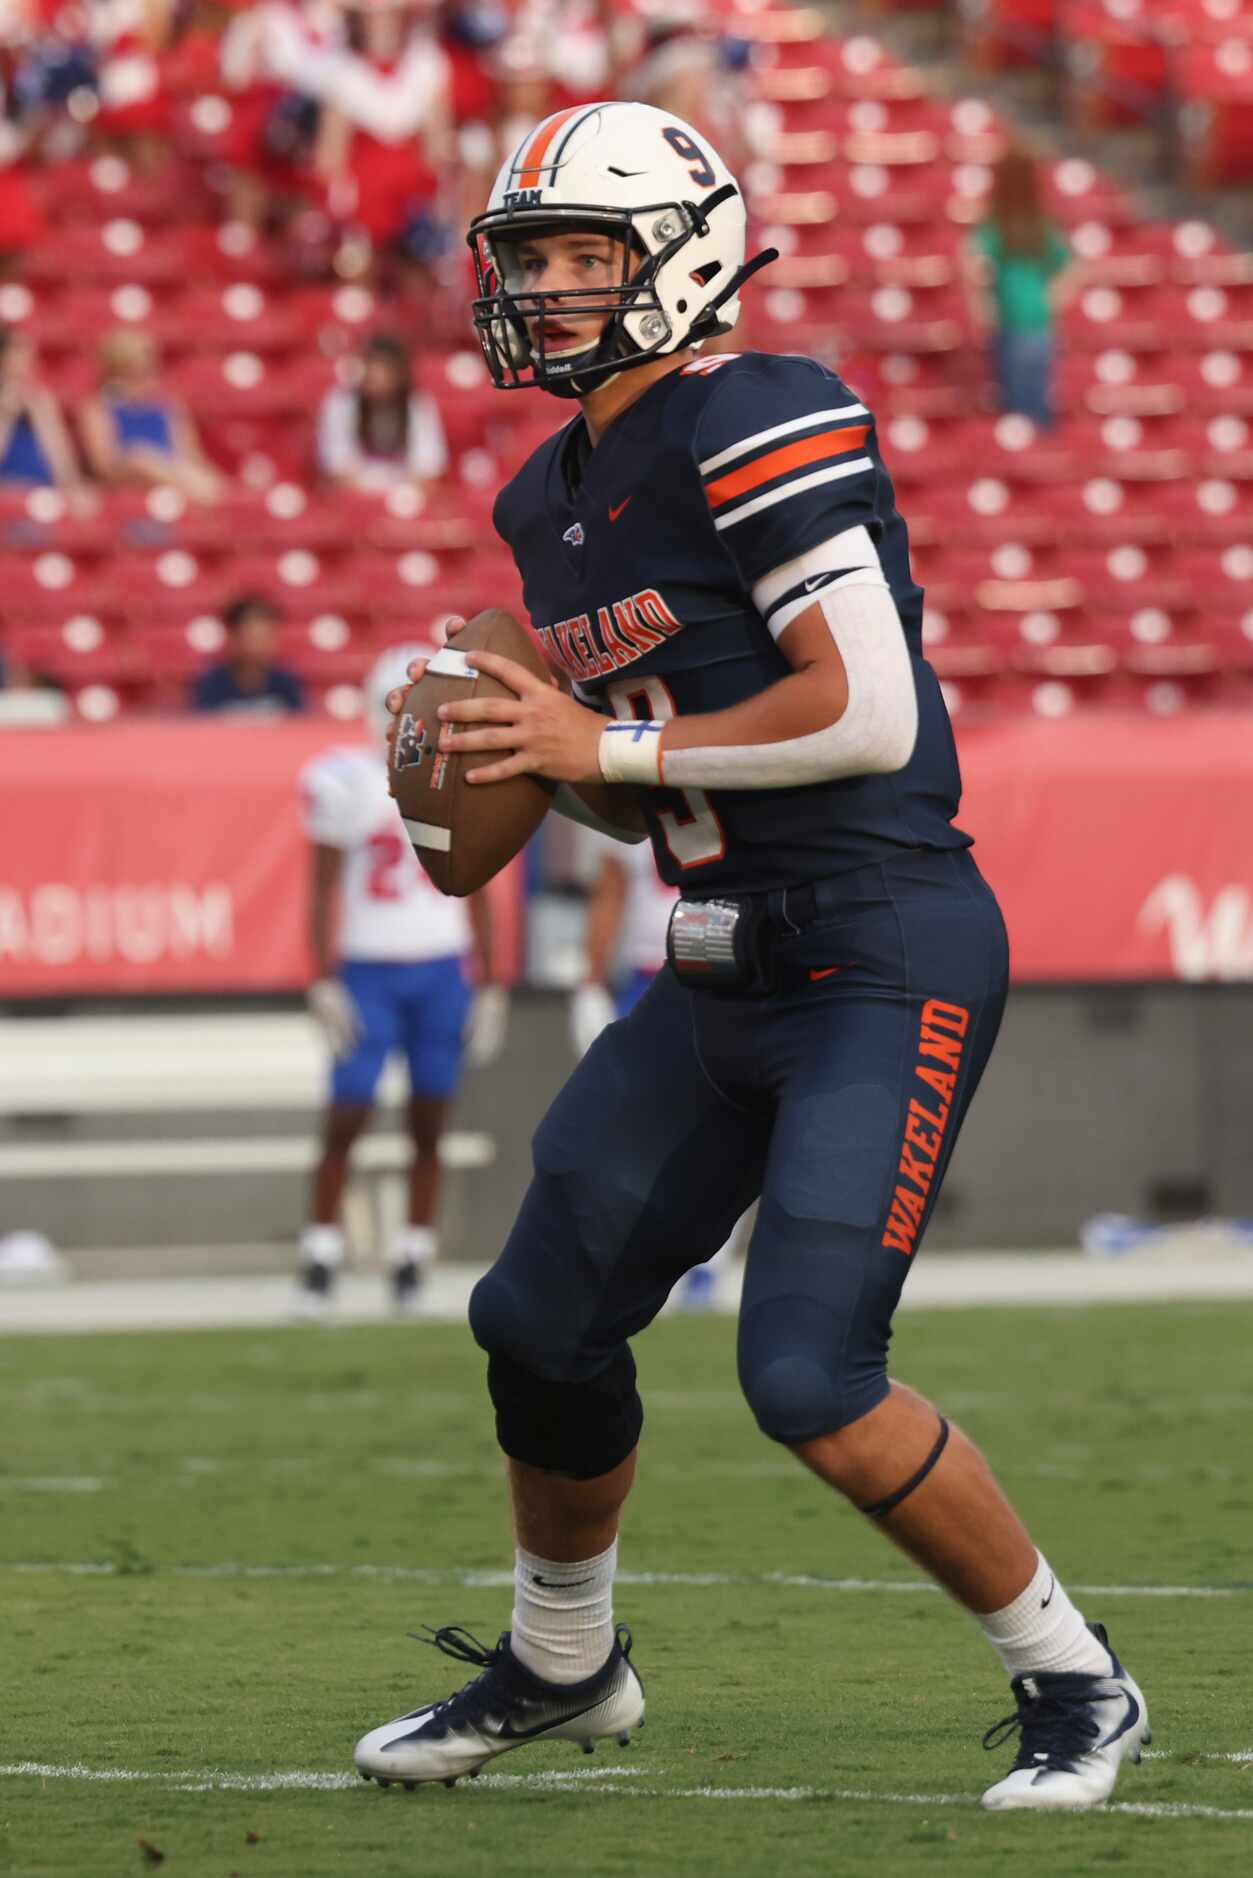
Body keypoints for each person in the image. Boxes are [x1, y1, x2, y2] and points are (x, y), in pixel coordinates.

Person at [356, 102, 1149, 1811]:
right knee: (537, 1317)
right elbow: (658, 793)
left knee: (805, 1373)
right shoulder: (540, 492)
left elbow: (859, 710)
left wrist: (600, 747)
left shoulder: (760, 408)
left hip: (877, 945)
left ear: (689, 255)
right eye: (531, 261)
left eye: (586, 256)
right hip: (714, 955)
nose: (549, 290)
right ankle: (563, 1661)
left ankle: (1074, 1676)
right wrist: (529, 760)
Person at [297, 642, 508, 1314]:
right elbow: (321, 886)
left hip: (441, 967)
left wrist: (491, 978)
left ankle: (414, 1255)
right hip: (368, 968)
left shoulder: (460, 776)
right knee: (347, 1114)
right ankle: (320, 1253)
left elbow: (475, 883)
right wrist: (321, 977)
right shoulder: (345, 779)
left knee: (429, 1119)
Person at [571, 830, 727, 1308]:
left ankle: (708, 1260)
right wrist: (591, 982)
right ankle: (648, 1252)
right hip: (646, 971)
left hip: (714, 964)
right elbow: (610, 892)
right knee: (634, 1132)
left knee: (719, 1129)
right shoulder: (633, 799)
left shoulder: (729, 789)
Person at [964, 144, 1078, 431]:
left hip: (1014, 325)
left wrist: (980, 300)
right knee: (1037, 406)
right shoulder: (1037, 226)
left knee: (1017, 407)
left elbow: (972, 262)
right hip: (1039, 326)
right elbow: (1071, 266)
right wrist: (1052, 298)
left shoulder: (1000, 226)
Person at [79, 328, 226, 504]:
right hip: (130, 484)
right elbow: (104, 467)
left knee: (202, 478)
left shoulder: (169, 406)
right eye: (131, 372)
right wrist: (143, 465)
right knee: (141, 458)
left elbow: (191, 456)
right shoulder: (98, 407)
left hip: (177, 476)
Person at [316, 332, 449, 494]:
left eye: (383, 370)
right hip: (356, 499)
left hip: (405, 500)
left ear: (399, 375)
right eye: (371, 368)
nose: (376, 377)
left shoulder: (417, 405)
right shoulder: (341, 402)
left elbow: (429, 471)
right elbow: (336, 471)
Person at [190, 592, 306, 714]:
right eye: (252, 637)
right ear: (234, 637)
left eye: (265, 637)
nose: (259, 645)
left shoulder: (286, 682)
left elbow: (302, 723)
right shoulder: (211, 683)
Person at [0, 327, 84, 492]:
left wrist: (41, 417)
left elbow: (63, 464)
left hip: (43, 490)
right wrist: (6, 414)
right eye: (17, 355)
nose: (26, 363)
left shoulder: (40, 400)